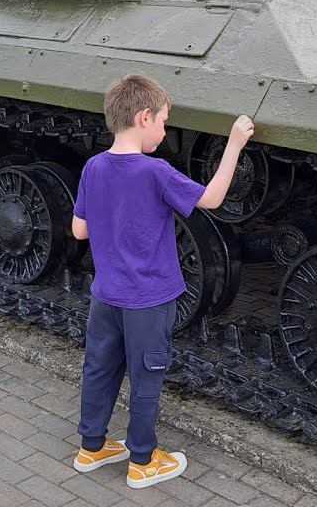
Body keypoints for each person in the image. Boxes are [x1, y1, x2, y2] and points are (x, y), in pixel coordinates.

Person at [68, 73, 254, 489]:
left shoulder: (94, 167)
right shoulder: (156, 171)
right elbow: (212, 199)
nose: (165, 132)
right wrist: (234, 144)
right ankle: (142, 460)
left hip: (105, 295)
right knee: (146, 376)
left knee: (99, 368)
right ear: (144, 116)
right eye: (164, 122)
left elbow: (79, 230)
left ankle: (91, 448)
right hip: (148, 300)